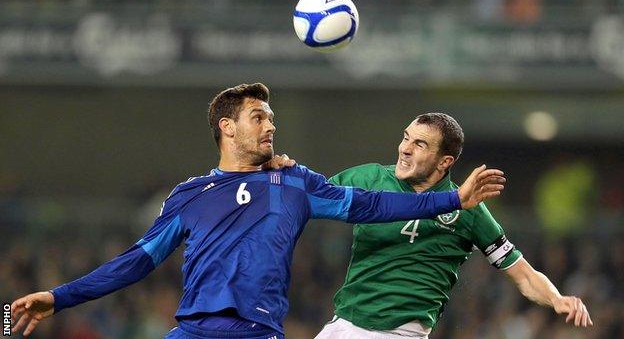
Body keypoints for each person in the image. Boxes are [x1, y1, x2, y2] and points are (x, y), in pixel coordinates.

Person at [10, 85, 506, 339]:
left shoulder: (293, 183)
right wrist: (60, 296)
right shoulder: (190, 194)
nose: (270, 124)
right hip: (192, 331)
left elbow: (370, 204)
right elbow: (137, 261)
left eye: (272, 116)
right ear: (227, 126)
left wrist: (451, 200)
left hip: (255, 333)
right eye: (258, 117)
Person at [312, 113, 593, 339]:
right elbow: (308, 196)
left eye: (420, 144)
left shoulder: (470, 210)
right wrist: (277, 168)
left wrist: (557, 299)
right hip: (344, 326)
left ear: (444, 161)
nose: (404, 149)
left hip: (402, 333)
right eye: (406, 138)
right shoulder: (369, 178)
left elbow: (523, 274)